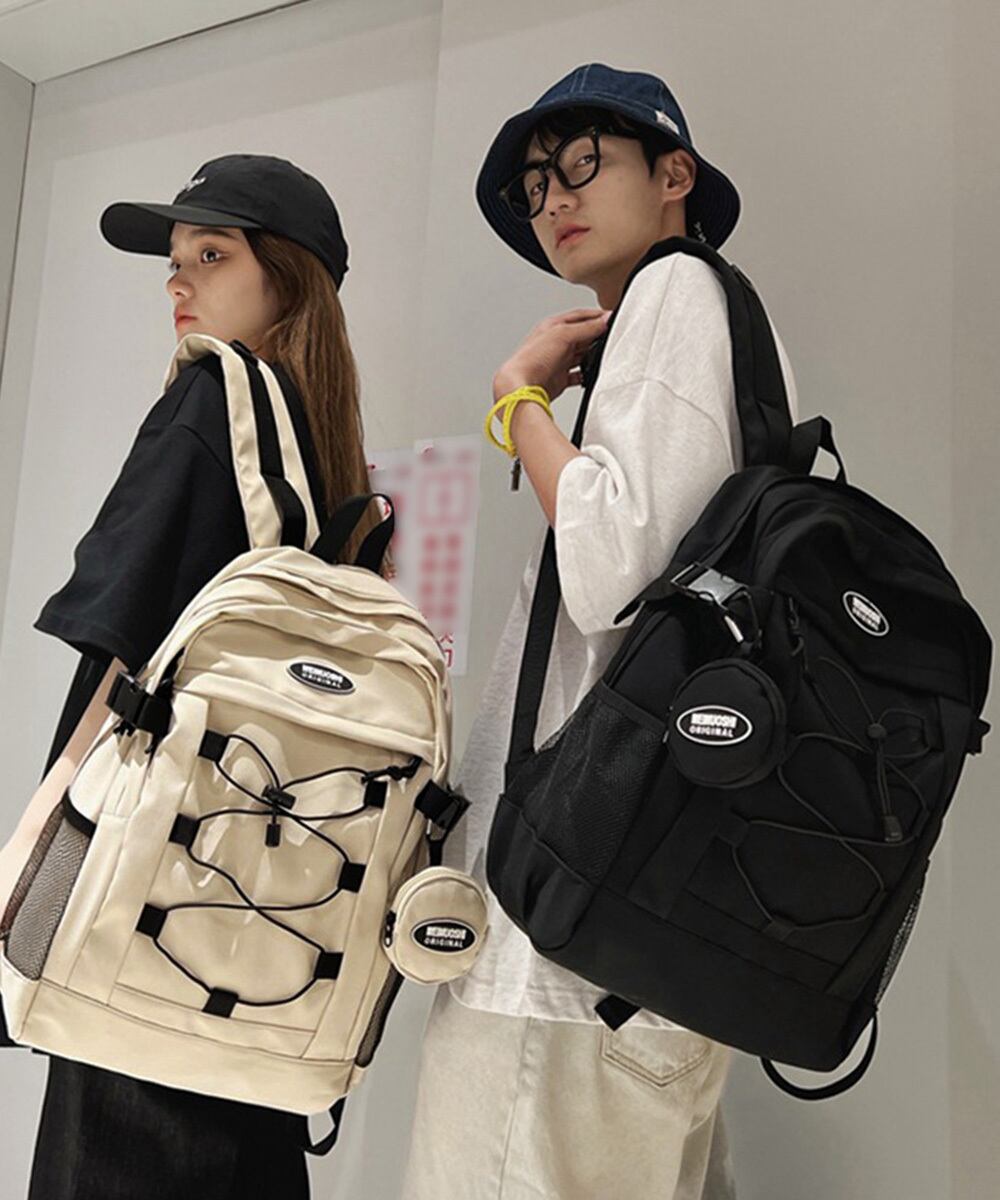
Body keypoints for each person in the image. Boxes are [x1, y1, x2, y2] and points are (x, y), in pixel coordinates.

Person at [402, 63, 800, 1199]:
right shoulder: (724, 328)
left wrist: (517, 398)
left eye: (583, 161)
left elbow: (611, 574)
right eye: (535, 183)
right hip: (644, 944)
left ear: (675, 175)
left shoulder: (674, 294)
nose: (554, 197)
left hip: (563, 960)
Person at [0, 152, 386, 1200]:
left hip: (151, 907)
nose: (178, 282)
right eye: (175, 260)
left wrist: (31, 865)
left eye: (211, 255)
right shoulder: (327, 468)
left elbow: (117, 666)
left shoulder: (211, 399)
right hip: (273, 929)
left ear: (286, 277)